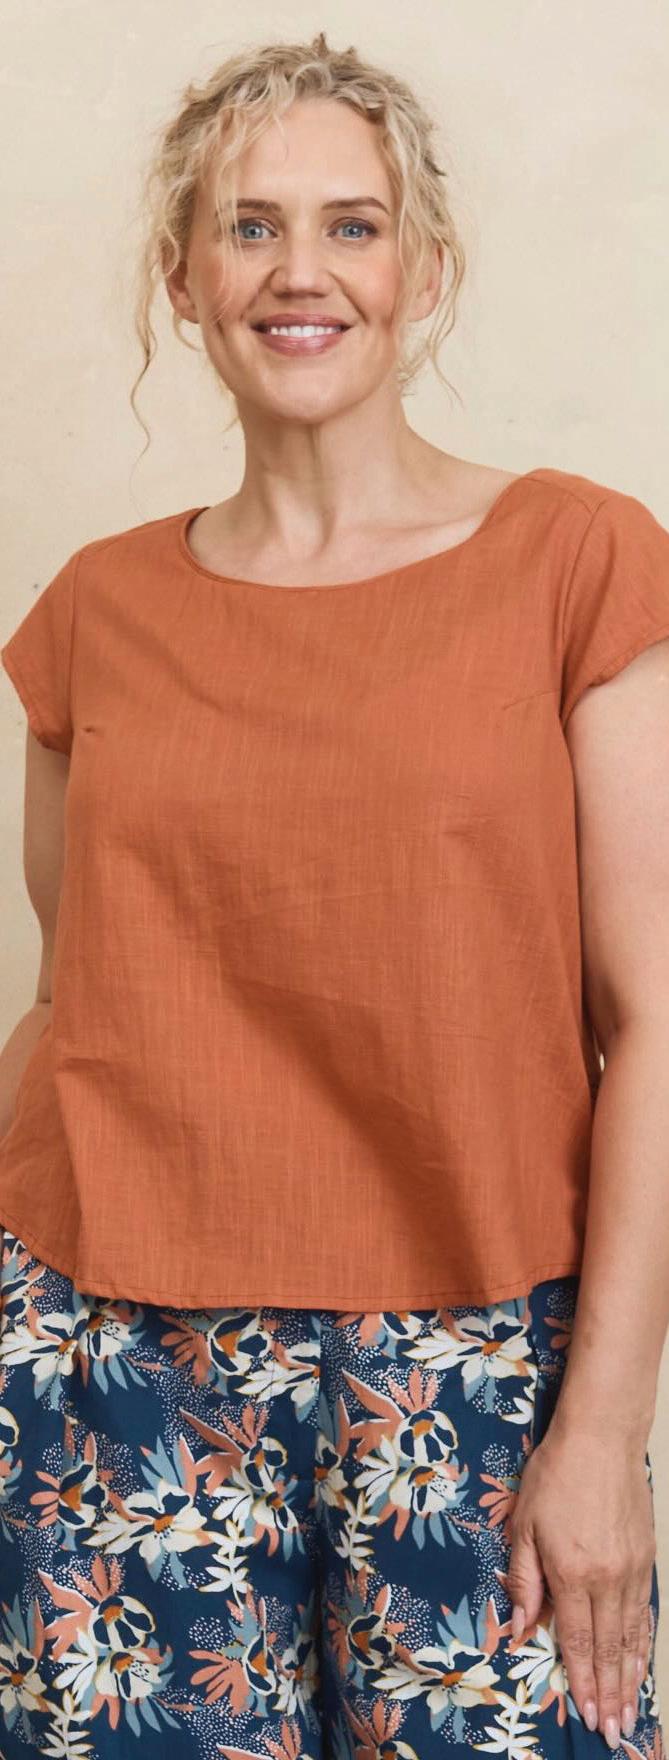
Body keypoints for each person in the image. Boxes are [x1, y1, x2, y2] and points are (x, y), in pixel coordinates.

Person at [0, 29, 668, 1760]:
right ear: (184, 278)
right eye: (250, 226)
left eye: (350, 226)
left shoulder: (574, 560)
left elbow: (654, 1023)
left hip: (474, 1357)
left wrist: (602, 1430)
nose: (300, 271)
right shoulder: (96, 611)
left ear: (421, 269)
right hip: (115, 1352)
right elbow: (81, 998)